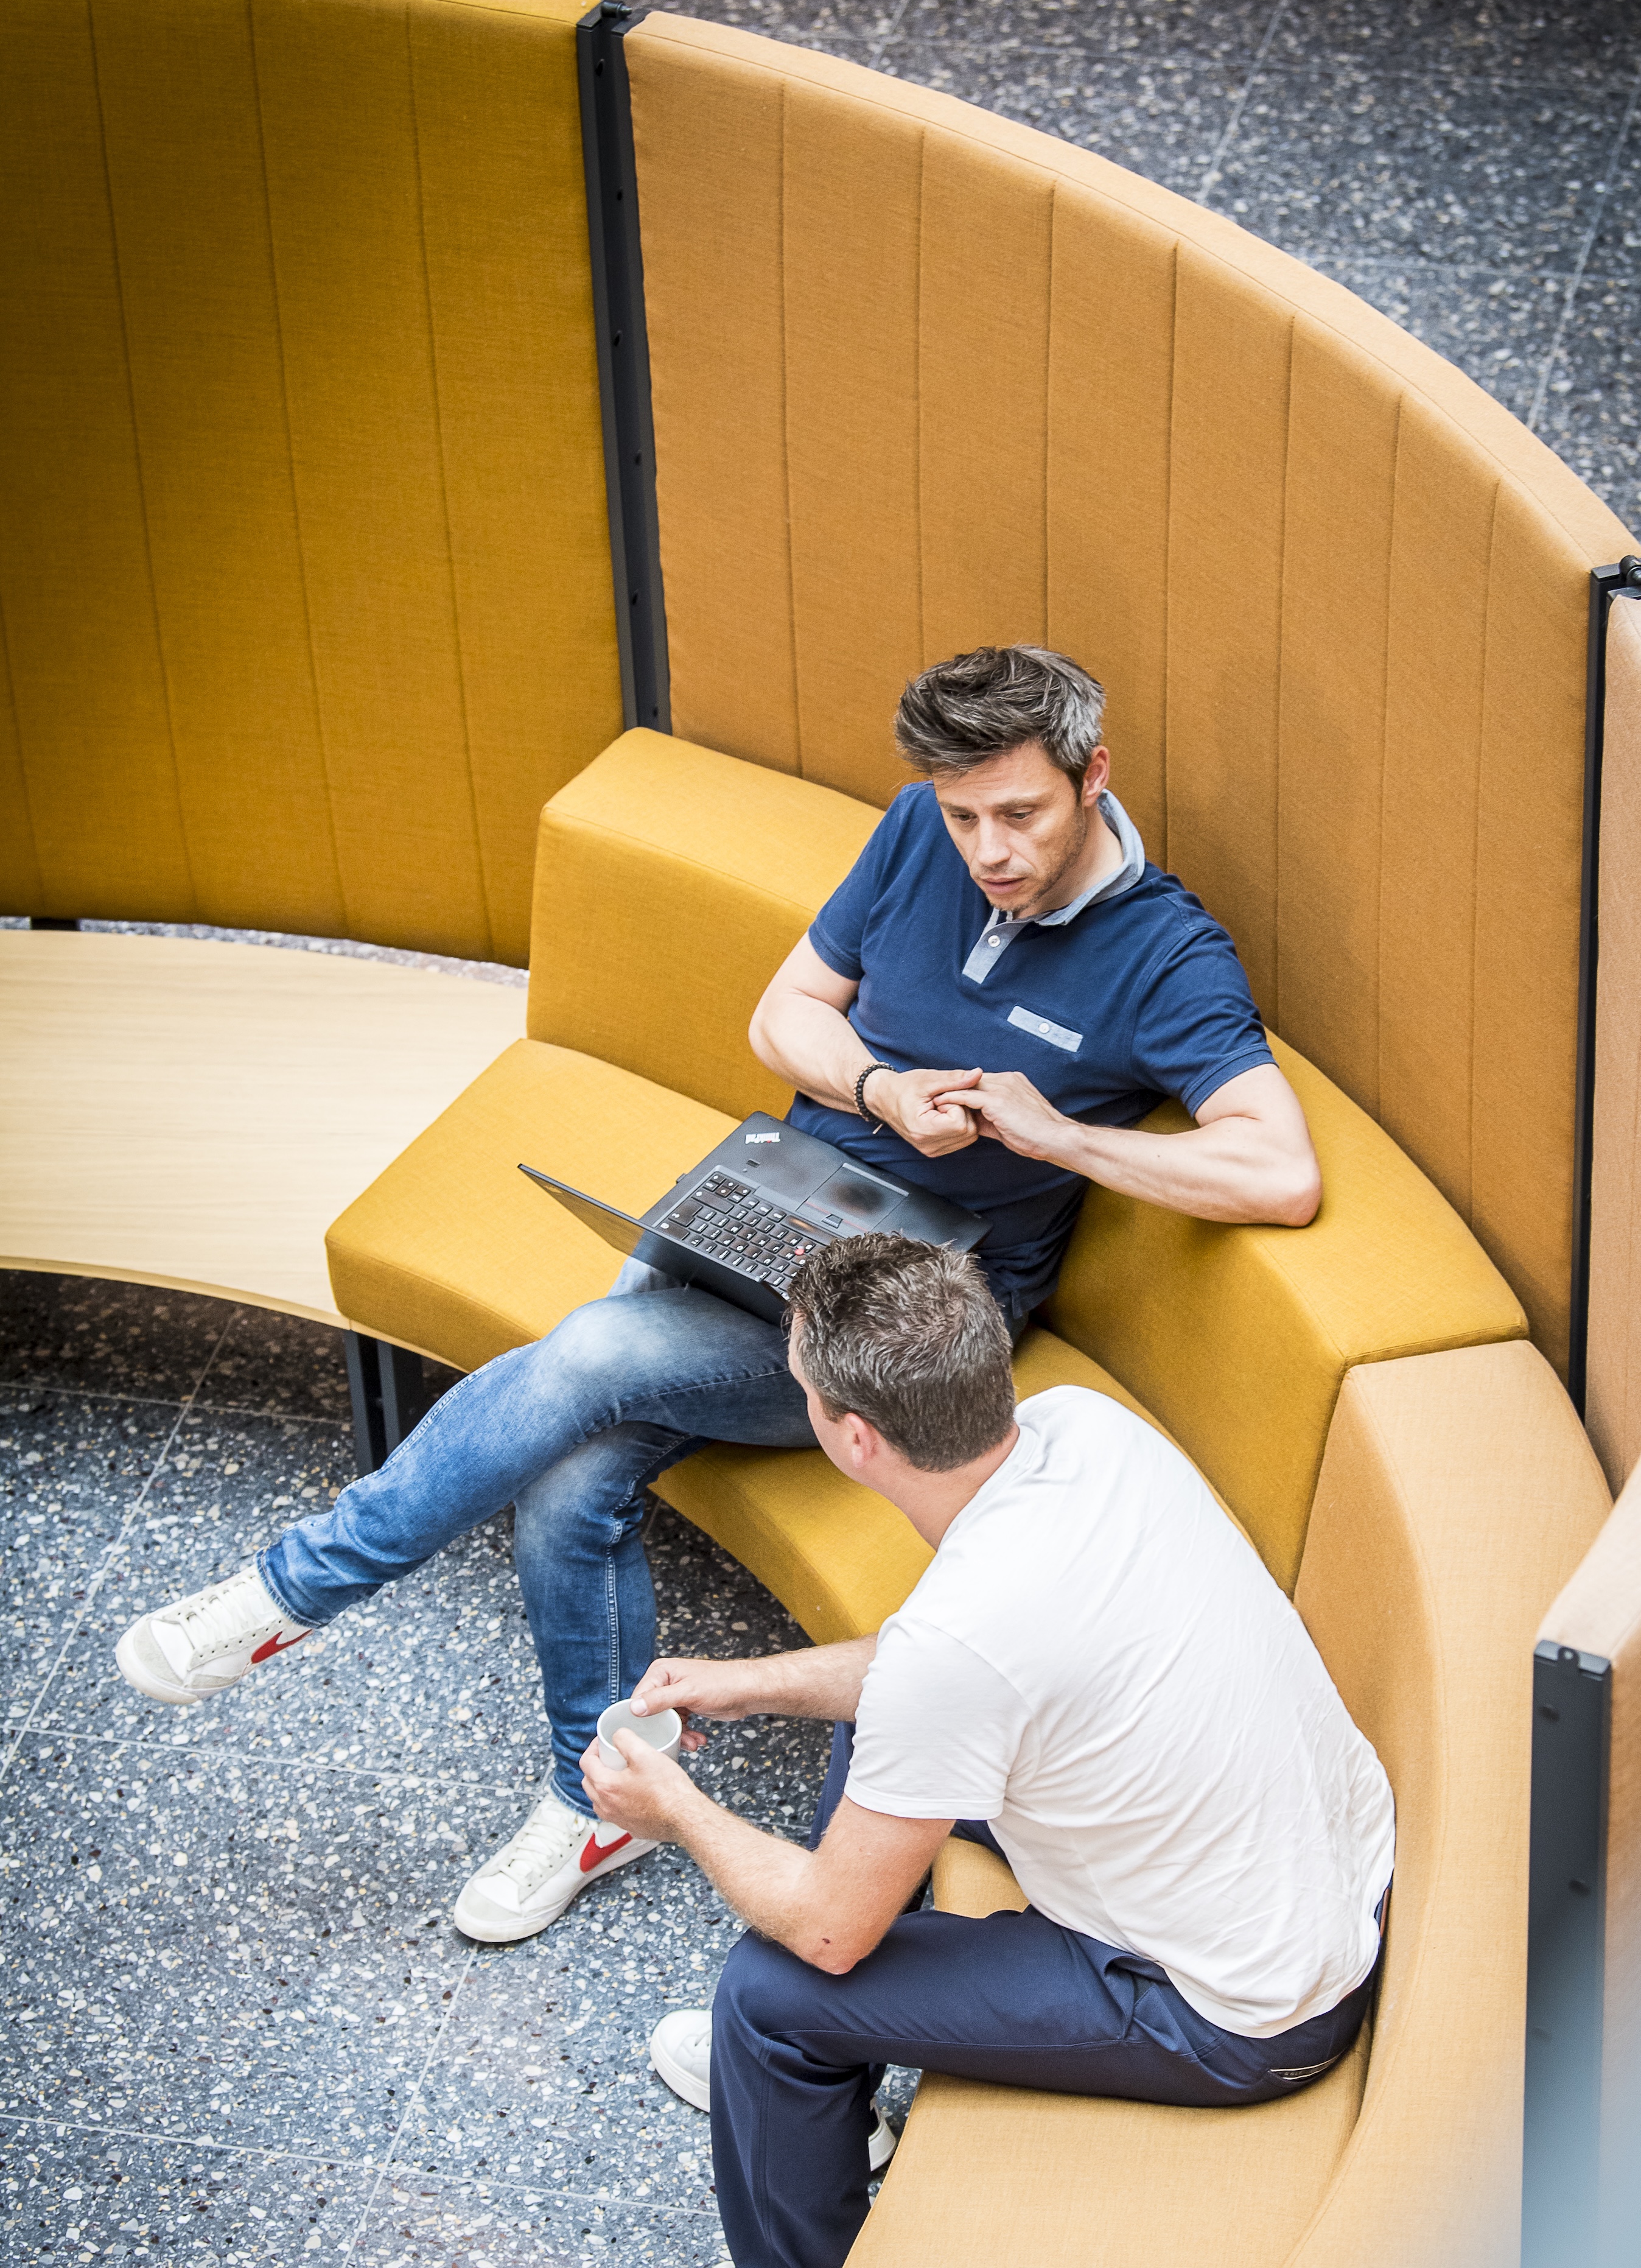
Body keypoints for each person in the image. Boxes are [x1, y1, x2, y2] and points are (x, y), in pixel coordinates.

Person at [113, 644, 1321, 1944]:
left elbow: (1279, 1170)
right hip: (773, 1204)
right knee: (573, 1476)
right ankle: (603, 1799)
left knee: (584, 1361)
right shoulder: (921, 831)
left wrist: (1056, 1136)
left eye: (1018, 814)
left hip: (903, 1311)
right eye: (964, 815)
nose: (987, 850)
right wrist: (875, 1090)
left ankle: (289, 1594)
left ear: (1094, 778)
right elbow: (786, 1012)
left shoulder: (1166, 953)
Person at [592, 1232, 1395, 2268]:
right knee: (877, 1741)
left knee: (769, 1996)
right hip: (1311, 1870)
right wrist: (751, 1678)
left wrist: (676, 1809)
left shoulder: (960, 1646)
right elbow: (938, 1676)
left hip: (1239, 2014)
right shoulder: (1086, 1432)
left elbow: (829, 1929)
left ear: (852, 1436)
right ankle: (834, 2118)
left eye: (807, 1390)